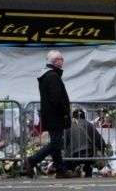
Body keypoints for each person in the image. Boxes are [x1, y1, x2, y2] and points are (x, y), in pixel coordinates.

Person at [24, 50, 75, 179]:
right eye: (60, 59)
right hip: (56, 115)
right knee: (56, 143)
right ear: (54, 61)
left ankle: (60, 170)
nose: (62, 61)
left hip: (50, 114)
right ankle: (32, 160)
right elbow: (56, 98)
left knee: (56, 142)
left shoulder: (47, 75)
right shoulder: (53, 76)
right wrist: (64, 113)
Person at [64, 109, 106, 178]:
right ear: (84, 116)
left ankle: (72, 171)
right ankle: (88, 173)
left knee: (68, 162)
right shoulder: (89, 125)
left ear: (73, 117)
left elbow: (64, 142)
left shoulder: (68, 126)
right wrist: (101, 152)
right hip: (89, 154)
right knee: (88, 163)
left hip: (73, 155)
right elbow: (100, 141)